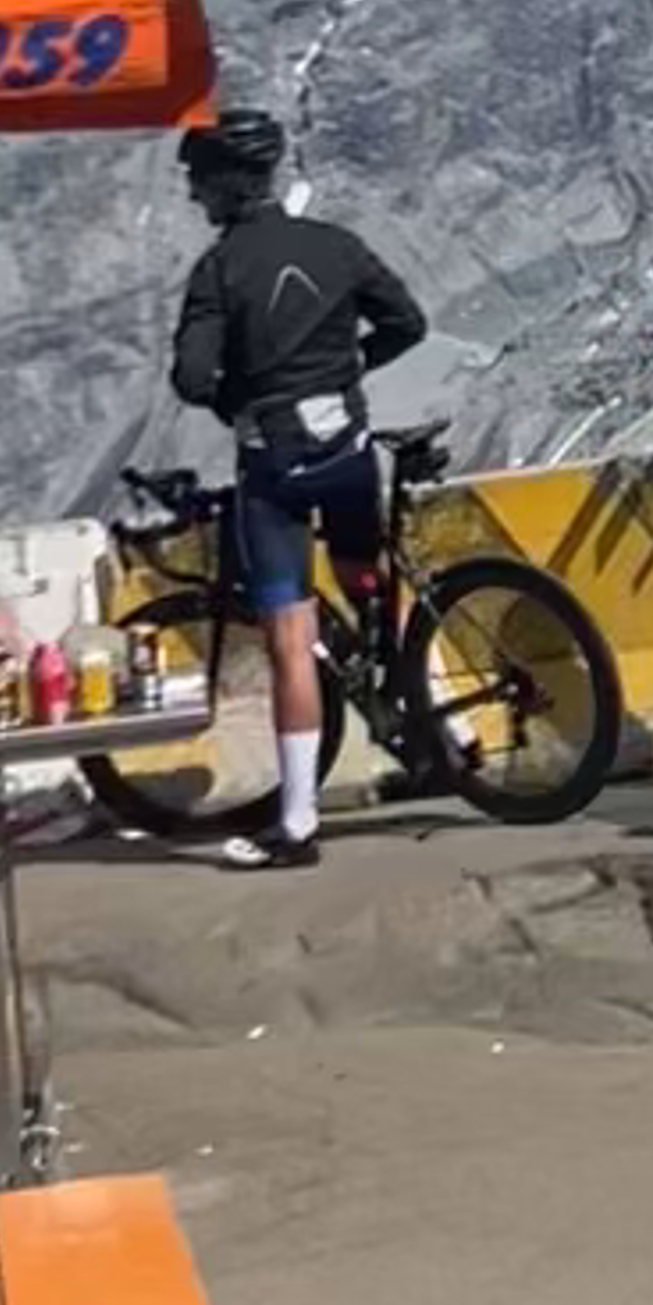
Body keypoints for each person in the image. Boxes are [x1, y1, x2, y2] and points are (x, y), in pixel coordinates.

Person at [166, 111, 427, 869]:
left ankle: (299, 823)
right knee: (364, 578)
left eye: (196, 181)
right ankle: (415, 702)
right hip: (346, 452)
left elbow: (189, 377)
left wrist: (233, 397)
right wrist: (346, 372)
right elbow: (408, 322)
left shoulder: (219, 269)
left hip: (274, 466)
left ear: (222, 183)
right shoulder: (335, 245)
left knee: (289, 643)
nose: (192, 195)